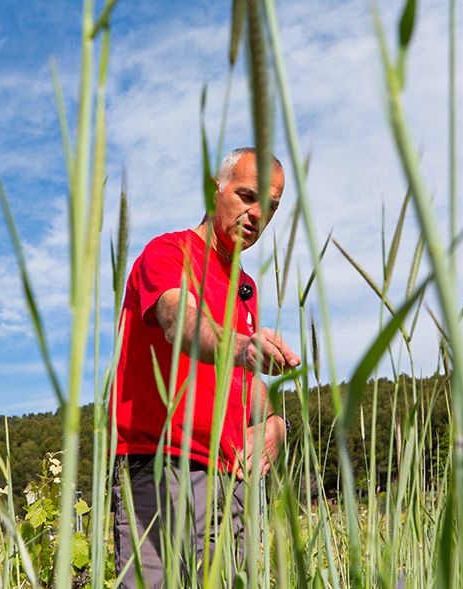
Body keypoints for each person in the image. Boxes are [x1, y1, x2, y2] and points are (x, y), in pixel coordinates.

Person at [112, 147, 301, 587]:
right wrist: (242, 347)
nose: (257, 215)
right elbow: (182, 320)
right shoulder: (167, 252)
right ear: (214, 189)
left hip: (229, 477)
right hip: (163, 467)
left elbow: (244, 377)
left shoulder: (245, 286)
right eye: (247, 196)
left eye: (270, 206)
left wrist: (275, 422)